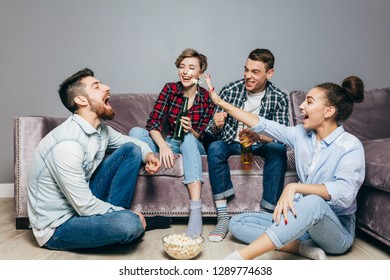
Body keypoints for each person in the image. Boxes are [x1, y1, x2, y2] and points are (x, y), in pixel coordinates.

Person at [204, 74, 365, 260]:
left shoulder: (350, 145)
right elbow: (262, 124)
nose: (302, 106)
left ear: (328, 111)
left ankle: (240, 258)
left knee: (313, 201)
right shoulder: (301, 134)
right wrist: (220, 102)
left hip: (336, 230)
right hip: (302, 222)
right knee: (238, 223)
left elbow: (345, 193)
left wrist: (295, 187)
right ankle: (302, 247)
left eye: (309, 102)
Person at [27, 68, 171, 251]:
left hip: (80, 205)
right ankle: (128, 223)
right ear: (81, 100)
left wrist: (149, 155)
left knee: (131, 150)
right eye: (96, 86)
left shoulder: (100, 129)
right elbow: (84, 206)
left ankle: (120, 222)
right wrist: (127, 215)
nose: (107, 87)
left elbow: (131, 142)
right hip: (59, 226)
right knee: (128, 224)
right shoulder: (67, 144)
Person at [205, 48, 290, 242]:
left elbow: (283, 136)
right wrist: (217, 125)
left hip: (260, 144)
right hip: (232, 143)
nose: (248, 76)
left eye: (255, 72)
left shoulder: (279, 97)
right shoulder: (230, 89)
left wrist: (258, 137)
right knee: (215, 147)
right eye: (246, 70)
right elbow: (211, 131)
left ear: (270, 73)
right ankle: (223, 217)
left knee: (278, 150)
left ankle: (267, 215)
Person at [129, 48, 215, 238]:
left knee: (189, 138)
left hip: (192, 144)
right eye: (182, 67)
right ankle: (149, 163)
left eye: (191, 68)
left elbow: (203, 135)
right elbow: (153, 123)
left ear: (200, 73)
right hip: (169, 143)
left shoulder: (207, 98)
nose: (185, 71)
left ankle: (195, 210)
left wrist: (191, 128)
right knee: (135, 132)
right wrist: (163, 146)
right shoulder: (170, 89)